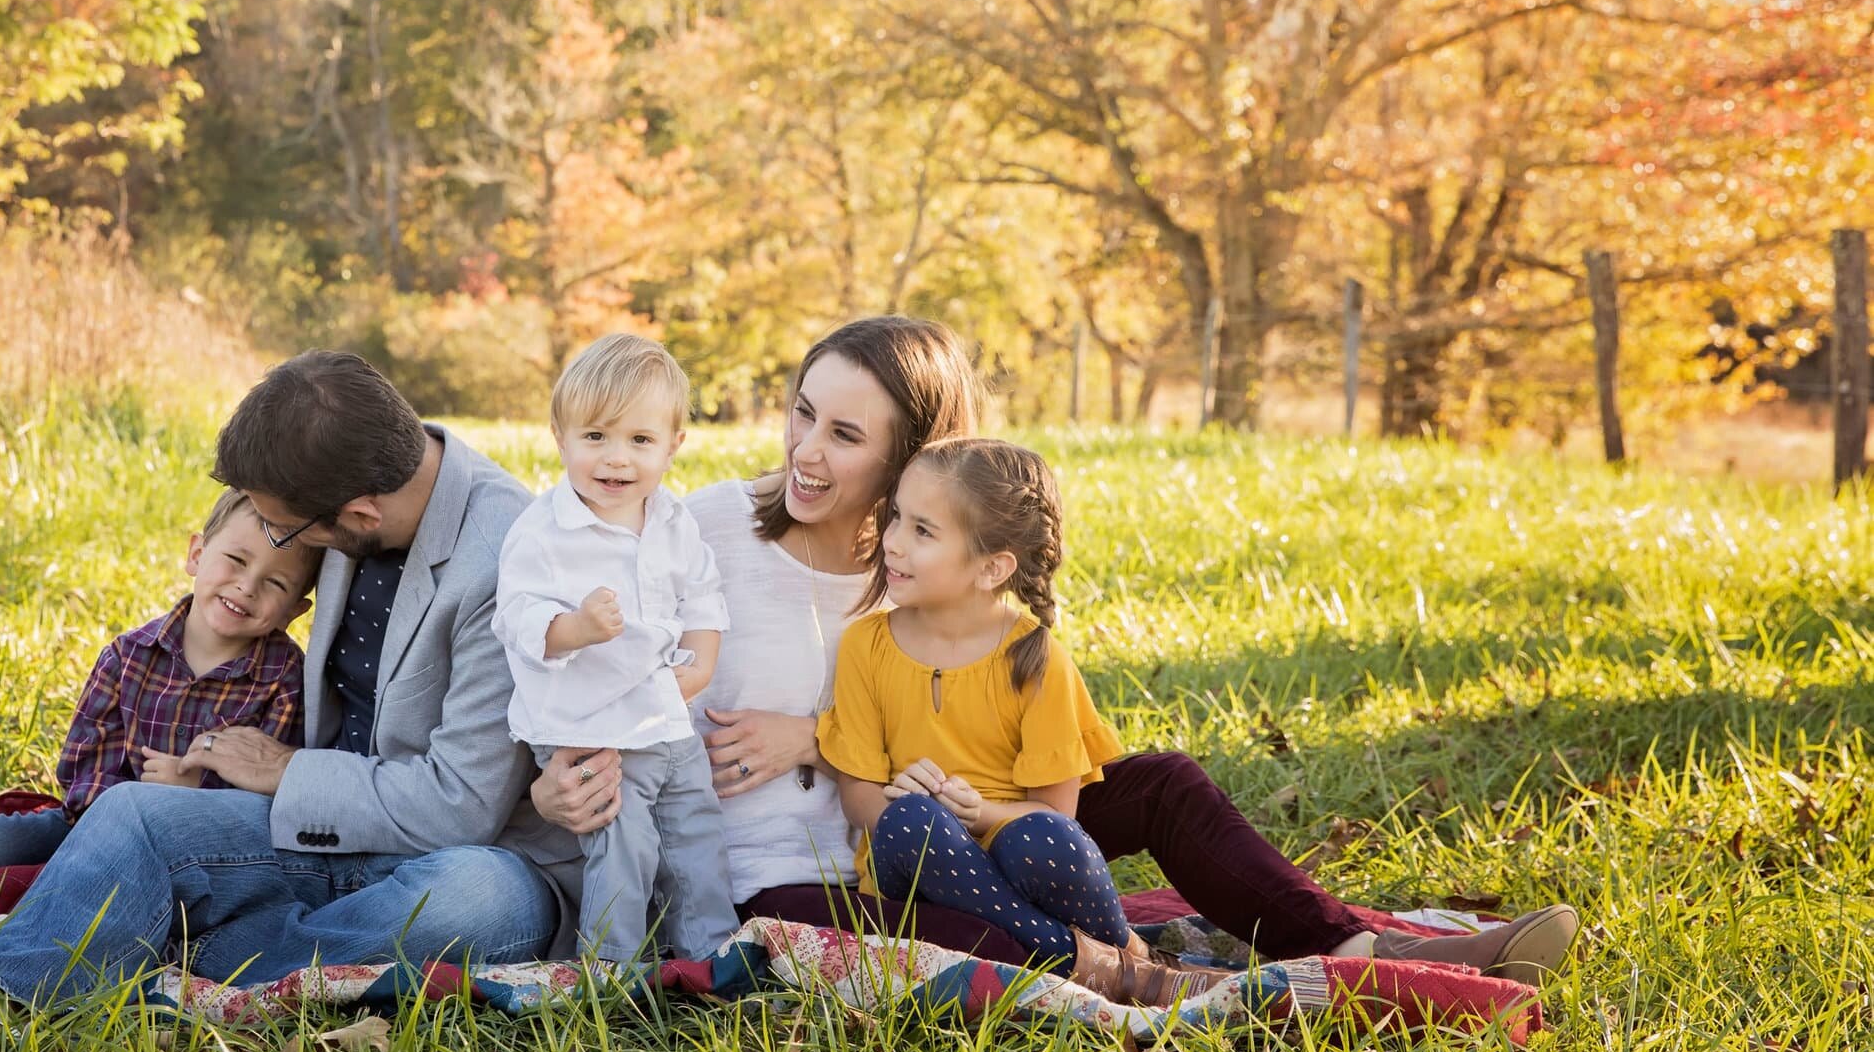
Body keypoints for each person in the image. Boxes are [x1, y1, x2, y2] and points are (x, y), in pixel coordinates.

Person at [531, 315, 1580, 989]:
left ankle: (1349, 944)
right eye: (803, 413)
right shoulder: (694, 529)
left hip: (956, 811)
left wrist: (815, 732)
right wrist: (557, 784)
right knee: (947, 931)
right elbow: (583, 666)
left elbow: (1011, 706)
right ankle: (1157, 976)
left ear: (914, 459)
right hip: (787, 873)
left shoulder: (933, 558)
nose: (806, 450)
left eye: (847, 436)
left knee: (1158, 782)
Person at [0, 351, 574, 1027]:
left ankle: (138, 944)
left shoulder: (505, 563)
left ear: (359, 515)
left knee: (480, 901)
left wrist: (288, 769)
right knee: (134, 813)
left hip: (457, 849)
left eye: (291, 532)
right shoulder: (365, 456)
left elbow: (461, 805)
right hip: (309, 833)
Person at [819, 437, 1224, 1005]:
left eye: (923, 531)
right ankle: (1122, 966)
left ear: (992, 568)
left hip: (1020, 863)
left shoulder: (1036, 660)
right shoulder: (867, 644)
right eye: (896, 519)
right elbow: (858, 799)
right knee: (910, 821)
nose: (893, 543)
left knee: (1041, 837)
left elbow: (1057, 814)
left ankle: (1101, 959)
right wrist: (897, 796)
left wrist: (983, 812)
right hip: (921, 868)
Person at [0, 490, 313, 889]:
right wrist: (108, 829)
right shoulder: (129, 656)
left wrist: (192, 793)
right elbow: (84, 765)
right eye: (235, 560)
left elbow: (265, 802)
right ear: (196, 554)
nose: (246, 586)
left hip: (195, 859)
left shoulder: (285, 680)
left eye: (275, 583)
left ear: (295, 609)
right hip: (89, 827)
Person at [495, 335, 737, 965]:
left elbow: (703, 596)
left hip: (665, 713)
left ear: (673, 445)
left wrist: (703, 660)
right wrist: (574, 627)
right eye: (595, 437)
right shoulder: (544, 531)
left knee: (695, 832)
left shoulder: (673, 521)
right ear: (559, 436)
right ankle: (612, 968)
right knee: (623, 842)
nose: (616, 459)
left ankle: (708, 952)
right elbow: (518, 619)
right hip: (592, 723)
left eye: (640, 441)